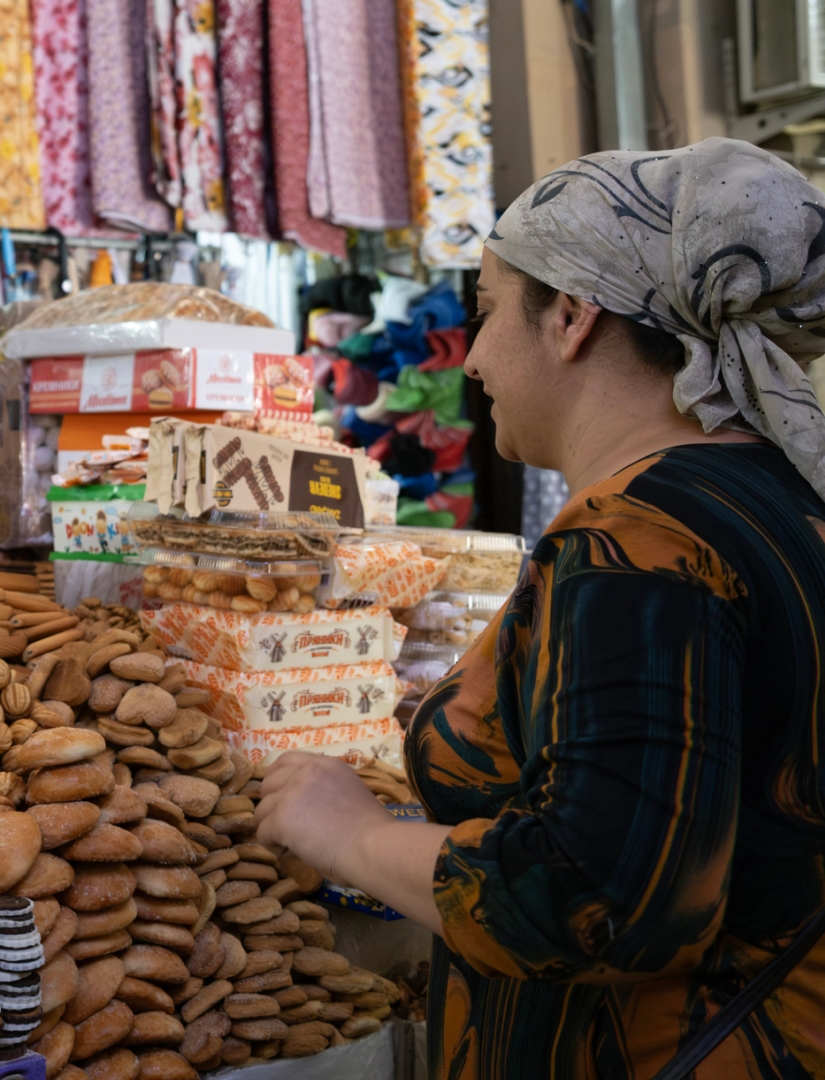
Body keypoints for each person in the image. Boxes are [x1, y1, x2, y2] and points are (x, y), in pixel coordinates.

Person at [255, 138, 825, 1079]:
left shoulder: (638, 542)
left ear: (569, 316)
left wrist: (346, 832)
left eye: (483, 314)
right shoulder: (771, 496)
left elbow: (596, 899)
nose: (471, 357)